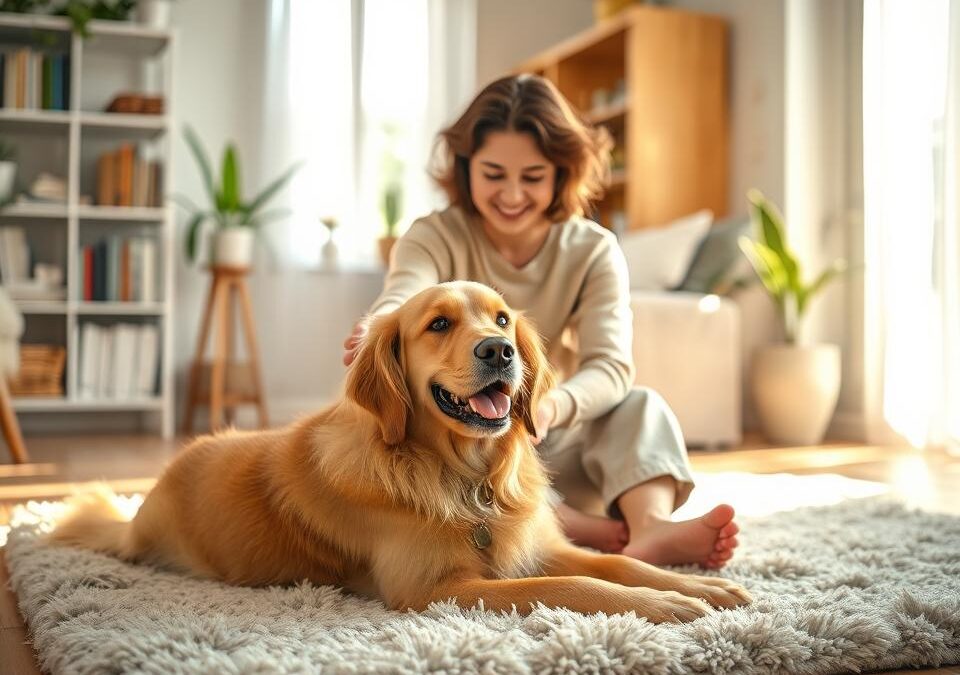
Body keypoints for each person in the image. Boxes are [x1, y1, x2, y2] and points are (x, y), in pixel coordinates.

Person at [343, 74, 739, 568]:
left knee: (642, 405)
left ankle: (649, 527)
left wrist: (552, 407)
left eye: (532, 177)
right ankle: (566, 526)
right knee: (455, 474)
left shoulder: (593, 249)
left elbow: (611, 366)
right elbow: (404, 293)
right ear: (466, 170)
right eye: (493, 174)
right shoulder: (433, 235)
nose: (512, 193)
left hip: (546, 430)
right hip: (461, 451)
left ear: (561, 175)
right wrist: (377, 323)